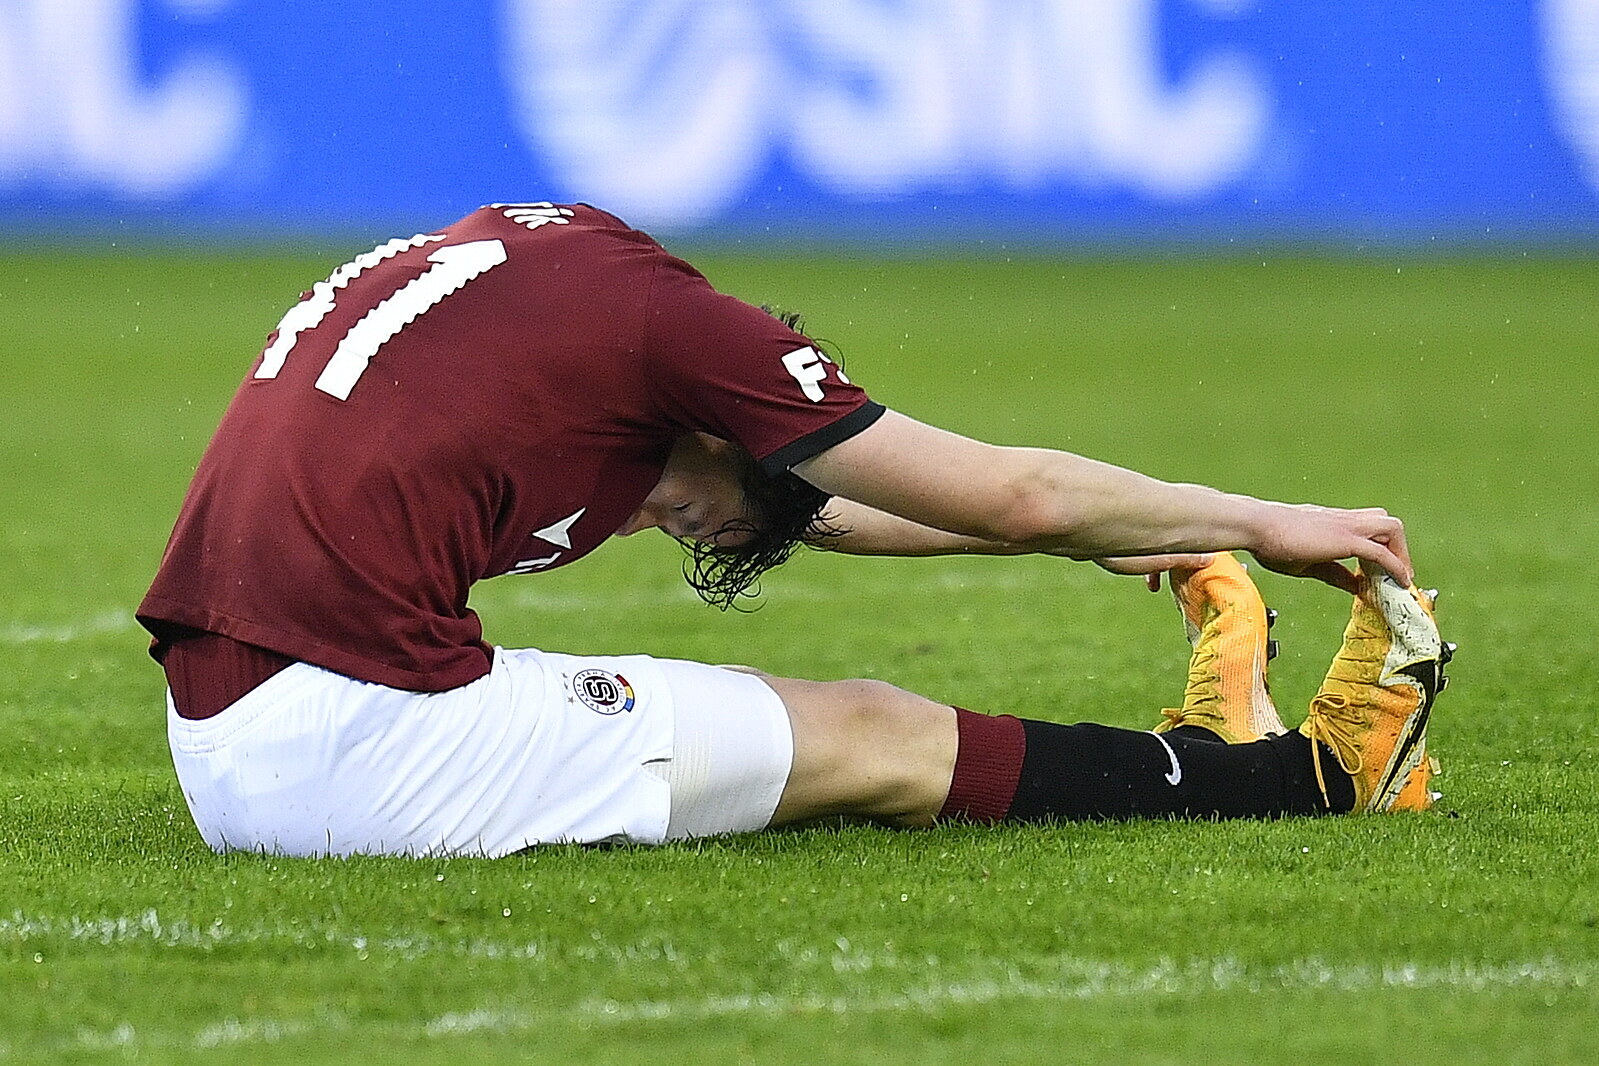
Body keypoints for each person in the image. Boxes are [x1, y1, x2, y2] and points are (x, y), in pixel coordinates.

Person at [137, 201, 1451, 858]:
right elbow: (1011, 487)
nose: (657, 526)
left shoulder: (535, 281)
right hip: (350, 742)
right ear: (735, 431)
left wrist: (1080, 539)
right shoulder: (671, 341)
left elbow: (849, 511)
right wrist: (1264, 521)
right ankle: (1295, 782)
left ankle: (1220, 758)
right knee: (873, 730)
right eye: (691, 516)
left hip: (227, 735)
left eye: (688, 519)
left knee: (791, 712)